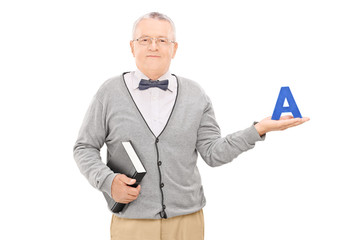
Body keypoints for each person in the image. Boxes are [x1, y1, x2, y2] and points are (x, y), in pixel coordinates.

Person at [73, 12, 309, 240]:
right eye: (145, 40)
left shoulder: (196, 94)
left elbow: (213, 153)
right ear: (132, 46)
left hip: (187, 222)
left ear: (174, 48)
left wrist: (258, 130)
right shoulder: (109, 93)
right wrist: (107, 181)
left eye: (162, 40)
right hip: (132, 222)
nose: (153, 46)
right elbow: (84, 147)